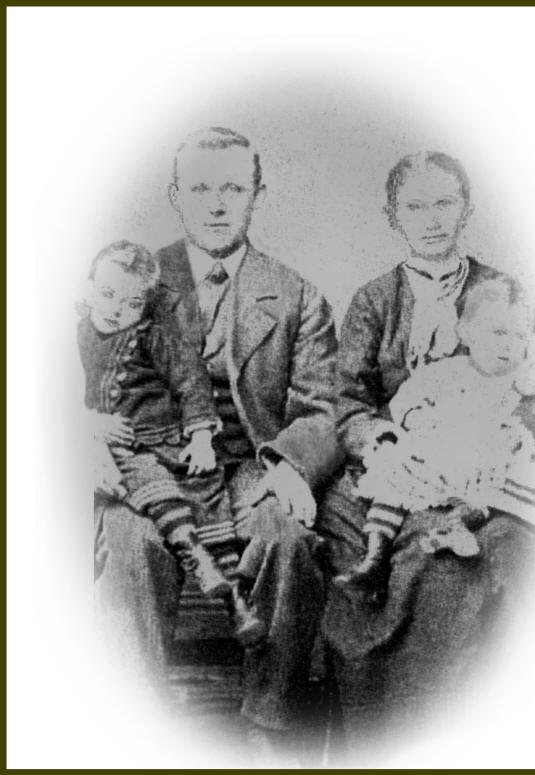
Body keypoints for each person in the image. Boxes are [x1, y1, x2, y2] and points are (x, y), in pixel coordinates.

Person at [93, 127, 340, 763]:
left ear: (259, 194)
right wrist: (85, 433)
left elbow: (322, 408)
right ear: (176, 196)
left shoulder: (297, 295)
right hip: (149, 460)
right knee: (130, 539)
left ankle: (271, 728)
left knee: (288, 539)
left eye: (233, 187)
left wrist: (291, 465)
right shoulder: (131, 280)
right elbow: (60, 373)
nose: (218, 203)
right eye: (201, 188)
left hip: (250, 464)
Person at [317, 151, 535, 749]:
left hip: (489, 470)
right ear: (392, 216)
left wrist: (503, 436)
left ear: (466, 210)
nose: (431, 220)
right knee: (358, 548)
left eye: (445, 203)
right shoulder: (375, 300)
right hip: (398, 463)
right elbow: (348, 402)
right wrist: (385, 441)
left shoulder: (506, 294)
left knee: (479, 563)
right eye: (415, 207)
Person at [80, 240, 265, 644]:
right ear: (87, 288)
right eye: (107, 294)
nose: (116, 310)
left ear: (145, 305)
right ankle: (196, 558)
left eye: (131, 303)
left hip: (167, 438)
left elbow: (191, 380)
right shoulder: (68, 337)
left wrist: (200, 436)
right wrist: (88, 421)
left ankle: (236, 600)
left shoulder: (151, 336)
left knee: (207, 498)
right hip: (124, 449)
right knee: (152, 485)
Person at [335, 276, 535, 596]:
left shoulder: (519, 379)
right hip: (438, 452)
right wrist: (419, 419)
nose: (508, 345)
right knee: (392, 478)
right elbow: (406, 401)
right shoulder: (445, 372)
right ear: (466, 332)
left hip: (486, 457)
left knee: (495, 487)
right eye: (498, 333)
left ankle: (456, 526)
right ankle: (375, 554)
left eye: (519, 336)